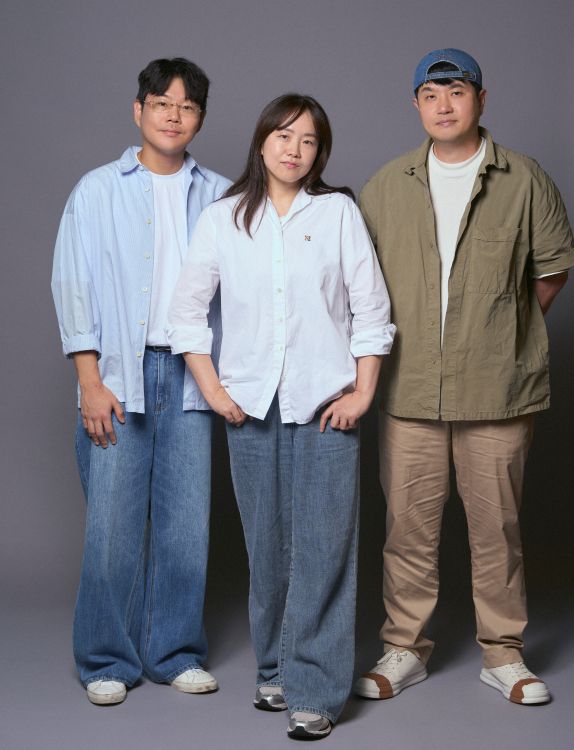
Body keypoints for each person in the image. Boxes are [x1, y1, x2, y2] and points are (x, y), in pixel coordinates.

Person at [354, 49, 574, 706]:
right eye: (430, 94)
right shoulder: (386, 185)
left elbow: (551, 271)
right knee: (407, 530)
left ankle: (503, 653)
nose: (444, 105)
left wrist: (500, 335)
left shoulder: (525, 179)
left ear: (481, 99)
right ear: (416, 104)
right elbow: (360, 284)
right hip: (409, 390)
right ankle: (404, 648)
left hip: (497, 391)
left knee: (497, 530)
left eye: (456, 91)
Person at [168, 93, 395, 739]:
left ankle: (316, 691)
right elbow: (186, 313)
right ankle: (274, 669)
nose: (295, 150)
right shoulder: (222, 218)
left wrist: (362, 394)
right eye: (284, 136)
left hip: (326, 407)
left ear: (321, 152)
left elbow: (371, 309)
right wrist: (214, 390)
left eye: (309, 140)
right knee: (266, 549)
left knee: (324, 548)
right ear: (261, 140)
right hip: (250, 408)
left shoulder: (338, 212)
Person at [51, 57, 231, 705]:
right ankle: (105, 658)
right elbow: (72, 284)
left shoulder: (221, 195)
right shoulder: (97, 190)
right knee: (112, 527)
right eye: (161, 103)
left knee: (186, 526)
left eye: (187, 107)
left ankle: (175, 652)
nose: (173, 116)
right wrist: (89, 379)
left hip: (192, 376)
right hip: (116, 373)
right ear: (139, 110)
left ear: (200, 119)